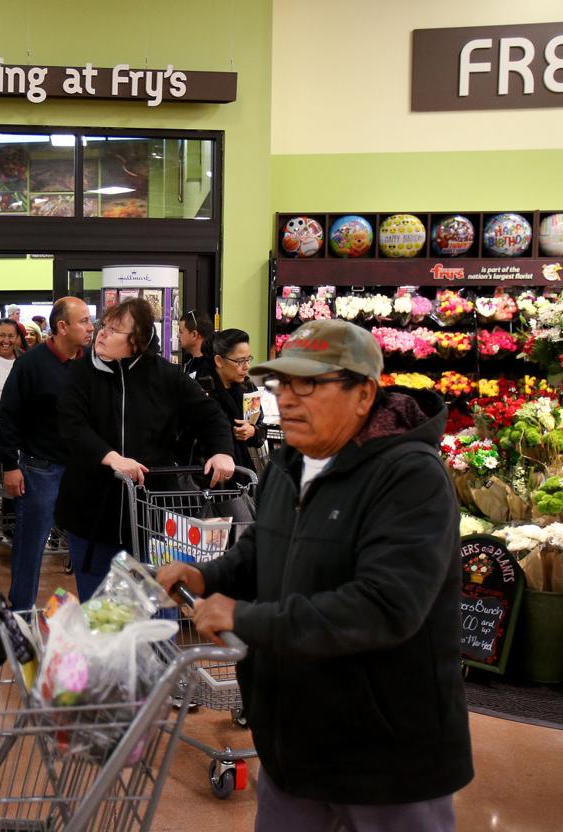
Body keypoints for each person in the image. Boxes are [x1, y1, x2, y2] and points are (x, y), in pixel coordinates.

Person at [155, 318, 471, 830]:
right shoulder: (293, 462)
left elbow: (384, 607)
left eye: (310, 385)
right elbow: (264, 545)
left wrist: (246, 618)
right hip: (293, 739)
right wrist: (205, 575)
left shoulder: (411, 477)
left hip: (384, 755)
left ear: (364, 393)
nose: (289, 401)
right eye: (283, 385)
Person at [56, 298, 235, 599]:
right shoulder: (80, 373)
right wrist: (112, 458)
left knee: (154, 603)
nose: (101, 333)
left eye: (114, 330)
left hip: (151, 514)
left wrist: (222, 451)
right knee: (100, 609)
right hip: (92, 511)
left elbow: (210, 414)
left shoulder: (164, 375)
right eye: (103, 326)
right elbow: (72, 426)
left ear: (137, 341)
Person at [0, 298, 94, 610]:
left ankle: (95, 613)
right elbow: (8, 416)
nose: (91, 327)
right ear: (62, 327)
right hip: (41, 470)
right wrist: (10, 465)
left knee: (87, 545)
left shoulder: (92, 361)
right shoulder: (30, 364)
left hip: (82, 471)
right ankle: (21, 611)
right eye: (84, 321)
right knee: (30, 545)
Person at [205, 328, 266, 471]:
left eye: (248, 359)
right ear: (219, 361)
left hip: (244, 469)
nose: (246, 367)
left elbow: (262, 428)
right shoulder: (204, 390)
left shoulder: (248, 388)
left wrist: (252, 431)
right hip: (211, 471)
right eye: (240, 361)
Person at [179, 309, 216, 383]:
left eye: (181, 332)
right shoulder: (188, 361)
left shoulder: (210, 367)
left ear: (194, 335)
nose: (178, 335)